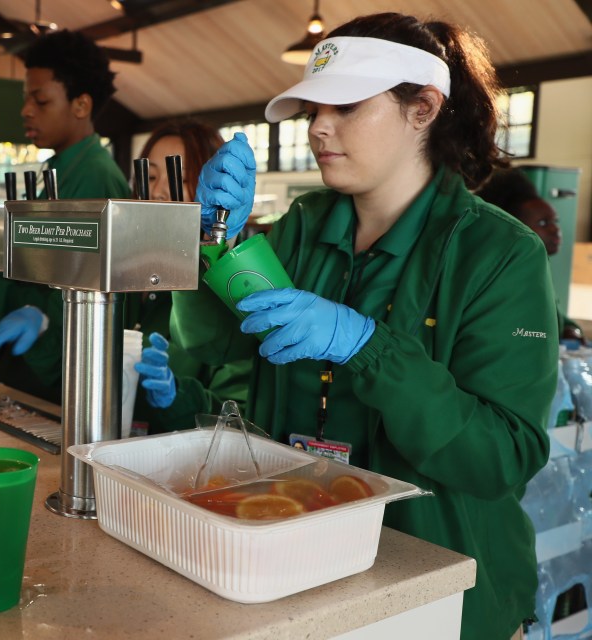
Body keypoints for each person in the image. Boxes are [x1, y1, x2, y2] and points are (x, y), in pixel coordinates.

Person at [173, 13, 557, 639]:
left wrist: (367, 347)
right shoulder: (302, 226)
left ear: (424, 109)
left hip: (441, 592)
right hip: (298, 571)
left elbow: (501, 456)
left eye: (346, 105)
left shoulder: (498, 253)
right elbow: (215, 344)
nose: (320, 127)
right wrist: (216, 238)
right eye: (312, 111)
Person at [0, 29, 132, 402]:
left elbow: (79, 291)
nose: (26, 110)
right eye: (26, 98)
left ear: (81, 105)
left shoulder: (94, 176)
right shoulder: (61, 172)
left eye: (40, 100)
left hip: (54, 374)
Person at [128, 120, 250, 433]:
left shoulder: (230, 284)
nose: (157, 192)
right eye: (150, 176)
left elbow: (238, 418)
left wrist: (177, 399)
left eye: (177, 179)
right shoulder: (124, 270)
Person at [476, 167, 584, 343]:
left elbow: (557, 319)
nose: (555, 229)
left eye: (555, 221)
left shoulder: (536, 269)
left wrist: (571, 329)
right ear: (515, 228)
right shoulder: (503, 277)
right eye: (543, 223)